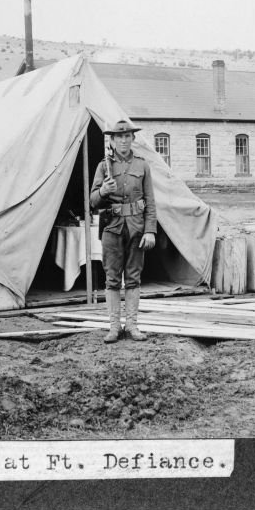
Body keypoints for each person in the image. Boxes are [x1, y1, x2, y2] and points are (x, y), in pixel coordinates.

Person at [90, 119, 157, 344]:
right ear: (112, 140)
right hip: (112, 227)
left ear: (133, 139)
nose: (124, 140)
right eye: (119, 137)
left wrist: (150, 231)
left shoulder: (142, 165)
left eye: (128, 136)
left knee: (133, 278)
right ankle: (113, 327)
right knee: (111, 279)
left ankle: (132, 325)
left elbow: (150, 201)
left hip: (137, 229)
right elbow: (92, 202)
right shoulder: (104, 166)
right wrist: (103, 191)